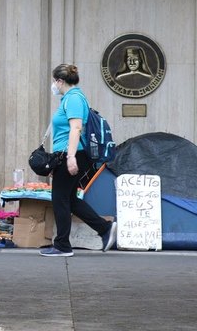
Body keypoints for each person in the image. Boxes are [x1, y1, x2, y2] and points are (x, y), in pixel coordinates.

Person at [40, 63, 117, 257]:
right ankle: (105, 229)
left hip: (72, 154)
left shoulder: (73, 98)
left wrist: (70, 157)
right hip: (71, 154)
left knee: (59, 198)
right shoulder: (72, 98)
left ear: (60, 81)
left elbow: (76, 128)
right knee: (70, 199)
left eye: (54, 81)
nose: (53, 85)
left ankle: (62, 246)